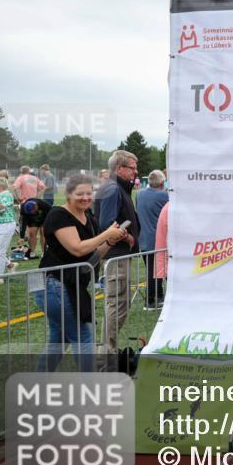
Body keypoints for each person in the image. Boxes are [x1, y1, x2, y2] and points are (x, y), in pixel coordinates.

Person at [36, 173, 127, 371]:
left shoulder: (89, 217)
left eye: (89, 193)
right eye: (80, 194)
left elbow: (93, 255)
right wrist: (106, 234)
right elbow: (76, 248)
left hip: (71, 285)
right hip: (55, 285)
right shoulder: (58, 215)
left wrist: (110, 241)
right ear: (68, 194)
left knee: (58, 343)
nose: (86, 198)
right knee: (84, 337)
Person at [93, 150, 140, 351]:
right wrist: (127, 235)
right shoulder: (112, 188)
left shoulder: (117, 187)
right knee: (116, 303)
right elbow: (106, 223)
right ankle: (106, 350)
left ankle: (107, 348)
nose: (136, 172)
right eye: (132, 168)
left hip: (120, 255)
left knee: (121, 304)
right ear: (119, 168)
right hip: (116, 255)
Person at [136, 169, 169, 310]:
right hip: (158, 239)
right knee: (155, 272)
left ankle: (159, 296)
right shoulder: (164, 195)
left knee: (152, 270)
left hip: (143, 238)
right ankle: (150, 301)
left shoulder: (139, 194)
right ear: (162, 183)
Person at [12, 166, 46, 259]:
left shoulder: (20, 178)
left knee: (31, 231)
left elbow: (14, 188)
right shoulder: (35, 178)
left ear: (21, 171)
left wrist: (18, 198)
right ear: (29, 171)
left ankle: (32, 252)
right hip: (37, 204)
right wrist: (37, 196)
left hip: (25, 204)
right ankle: (43, 253)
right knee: (42, 232)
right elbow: (43, 187)